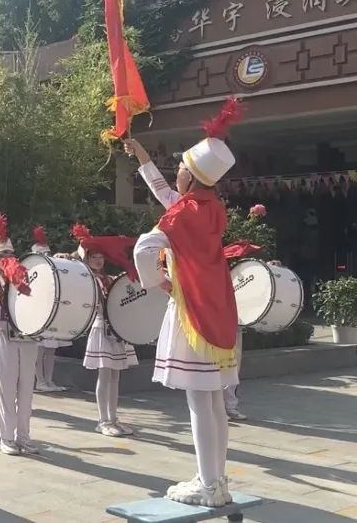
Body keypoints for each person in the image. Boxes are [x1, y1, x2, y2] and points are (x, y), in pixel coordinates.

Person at [130, 97, 244, 507]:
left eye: (178, 168)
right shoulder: (211, 209)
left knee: (200, 403)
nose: (174, 172)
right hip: (216, 308)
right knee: (213, 402)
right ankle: (215, 479)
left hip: (192, 312)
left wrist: (155, 280)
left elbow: (145, 246)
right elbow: (169, 196)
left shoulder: (182, 216)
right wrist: (143, 159)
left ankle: (209, 486)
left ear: (191, 178)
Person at [0, 214, 38, 456]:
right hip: (4, 336)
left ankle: (24, 436)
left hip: (28, 336)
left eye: (8, 255)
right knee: (7, 388)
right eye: (0, 256)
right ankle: (6, 437)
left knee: (26, 389)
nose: (5, 259)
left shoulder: (26, 276)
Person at [72, 223, 139, 437]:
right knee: (104, 374)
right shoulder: (87, 279)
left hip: (117, 330)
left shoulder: (110, 279)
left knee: (115, 376)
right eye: (94, 257)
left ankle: (113, 417)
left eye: (101, 256)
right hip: (101, 327)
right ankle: (103, 420)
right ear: (87, 259)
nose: (99, 260)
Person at [28, 227, 67, 393]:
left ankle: (49, 380)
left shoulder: (54, 270)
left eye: (48, 253)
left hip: (52, 313)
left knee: (51, 349)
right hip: (38, 314)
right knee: (40, 349)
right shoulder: (32, 272)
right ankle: (39, 380)